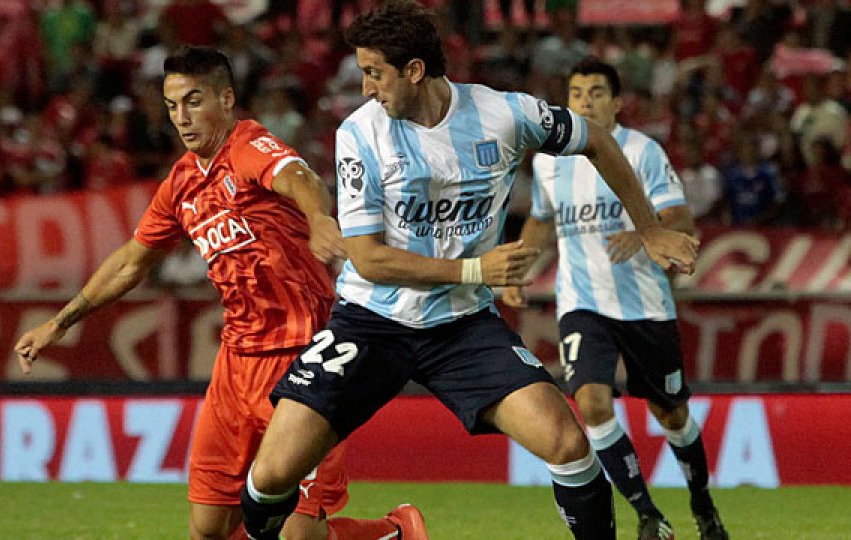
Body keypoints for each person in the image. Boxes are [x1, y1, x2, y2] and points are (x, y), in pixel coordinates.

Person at [238, 3, 699, 540]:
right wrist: (478, 269)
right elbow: (369, 259)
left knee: (568, 443)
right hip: (370, 321)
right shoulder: (360, 134)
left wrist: (647, 227)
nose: (366, 88)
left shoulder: (503, 114)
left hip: (460, 327)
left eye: (375, 73)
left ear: (414, 71)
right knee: (271, 477)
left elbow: (595, 138)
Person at [14, 46, 427, 540]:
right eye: (171, 106)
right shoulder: (183, 183)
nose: (181, 118)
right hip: (235, 366)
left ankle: (394, 531)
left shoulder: (249, 147)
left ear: (226, 99)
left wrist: (318, 218)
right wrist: (59, 323)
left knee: (297, 536)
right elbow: (131, 261)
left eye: (193, 101)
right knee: (209, 528)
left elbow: (301, 178)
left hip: (304, 358)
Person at [503, 57, 729, 540]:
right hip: (582, 302)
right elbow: (543, 219)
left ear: (618, 102)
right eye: (578, 91)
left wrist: (644, 232)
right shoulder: (548, 160)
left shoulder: (643, 151)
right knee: (592, 402)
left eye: (597, 92)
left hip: (645, 305)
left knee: (671, 413)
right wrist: (521, 265)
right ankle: (648, 514)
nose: (585, 99)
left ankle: (702, 502)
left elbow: (681, 219)